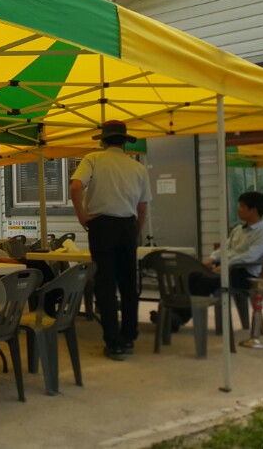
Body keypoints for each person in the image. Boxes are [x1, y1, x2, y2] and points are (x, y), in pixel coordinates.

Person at [70, 120, 151, 361]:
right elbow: (142, 207)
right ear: (125, 142)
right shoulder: (138, 167)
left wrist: (81, 215)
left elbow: (76, 187)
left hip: (101, 225)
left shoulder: (93, 159)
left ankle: (113, 343)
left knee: (105, 285)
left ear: (103, 141)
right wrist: (135, 231)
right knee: (128, 284)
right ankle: (129, 336)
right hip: (127, 225)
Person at [173, 191, 263, 325]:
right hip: (226, 268)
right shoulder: (238, 230)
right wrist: (212, 259)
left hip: (244, 274)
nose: (238, 209)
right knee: (190, 276)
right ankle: (171, 312)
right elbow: (225, 248)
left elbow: (250, 256)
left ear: (253, 210)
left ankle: (179, 318)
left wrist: (227, 266)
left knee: (205, 281)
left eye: (242, 206)